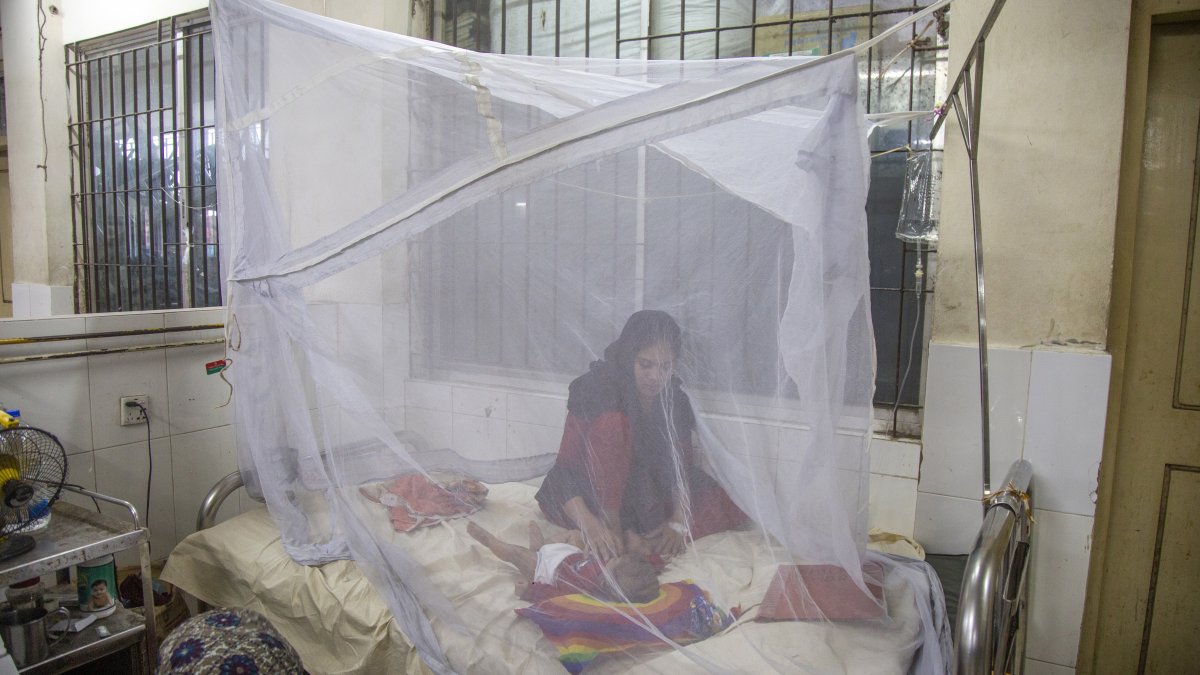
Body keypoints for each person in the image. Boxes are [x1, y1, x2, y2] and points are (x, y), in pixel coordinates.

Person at [535, 310, 746, 563]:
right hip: (588, 497)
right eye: (646, 364)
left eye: (665, 366)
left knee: (732, 504)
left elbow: (680, 468)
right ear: (629, 357)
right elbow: (565, 470)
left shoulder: (674, 400)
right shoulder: (595, 388)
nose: (655, 377)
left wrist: (679, 521)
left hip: (640, 494)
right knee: (614, 425)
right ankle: (615, 532)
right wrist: (592, 527)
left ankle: (638, 542)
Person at [467, 521, 660, 603]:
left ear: (609, 580)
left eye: (614, 562)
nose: (612, 558)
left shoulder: (584, 589)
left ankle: (488, 540)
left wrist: (531, 590)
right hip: (571, 555)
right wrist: (653, 561)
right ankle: (540, 545)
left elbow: (556, 595)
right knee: (575, 535)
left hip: (545, 567)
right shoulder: (619, 572)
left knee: (517, 554)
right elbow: (640, 568)